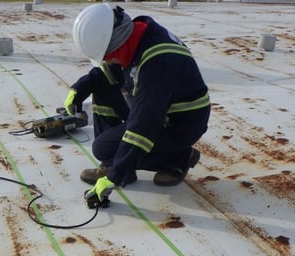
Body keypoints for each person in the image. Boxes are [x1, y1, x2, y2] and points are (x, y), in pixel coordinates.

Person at [67, 4, 211, 207]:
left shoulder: (158, 64)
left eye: (108, 55)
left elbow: (143, 127)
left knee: (103, 148)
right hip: (163, 108)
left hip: (181, 123)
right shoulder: (136, 34)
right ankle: (114, 163)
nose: (109, 61)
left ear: (117, 43)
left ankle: (179, 158)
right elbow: (111, 72)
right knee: (101, 86)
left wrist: (115, 177)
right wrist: (79, 89)